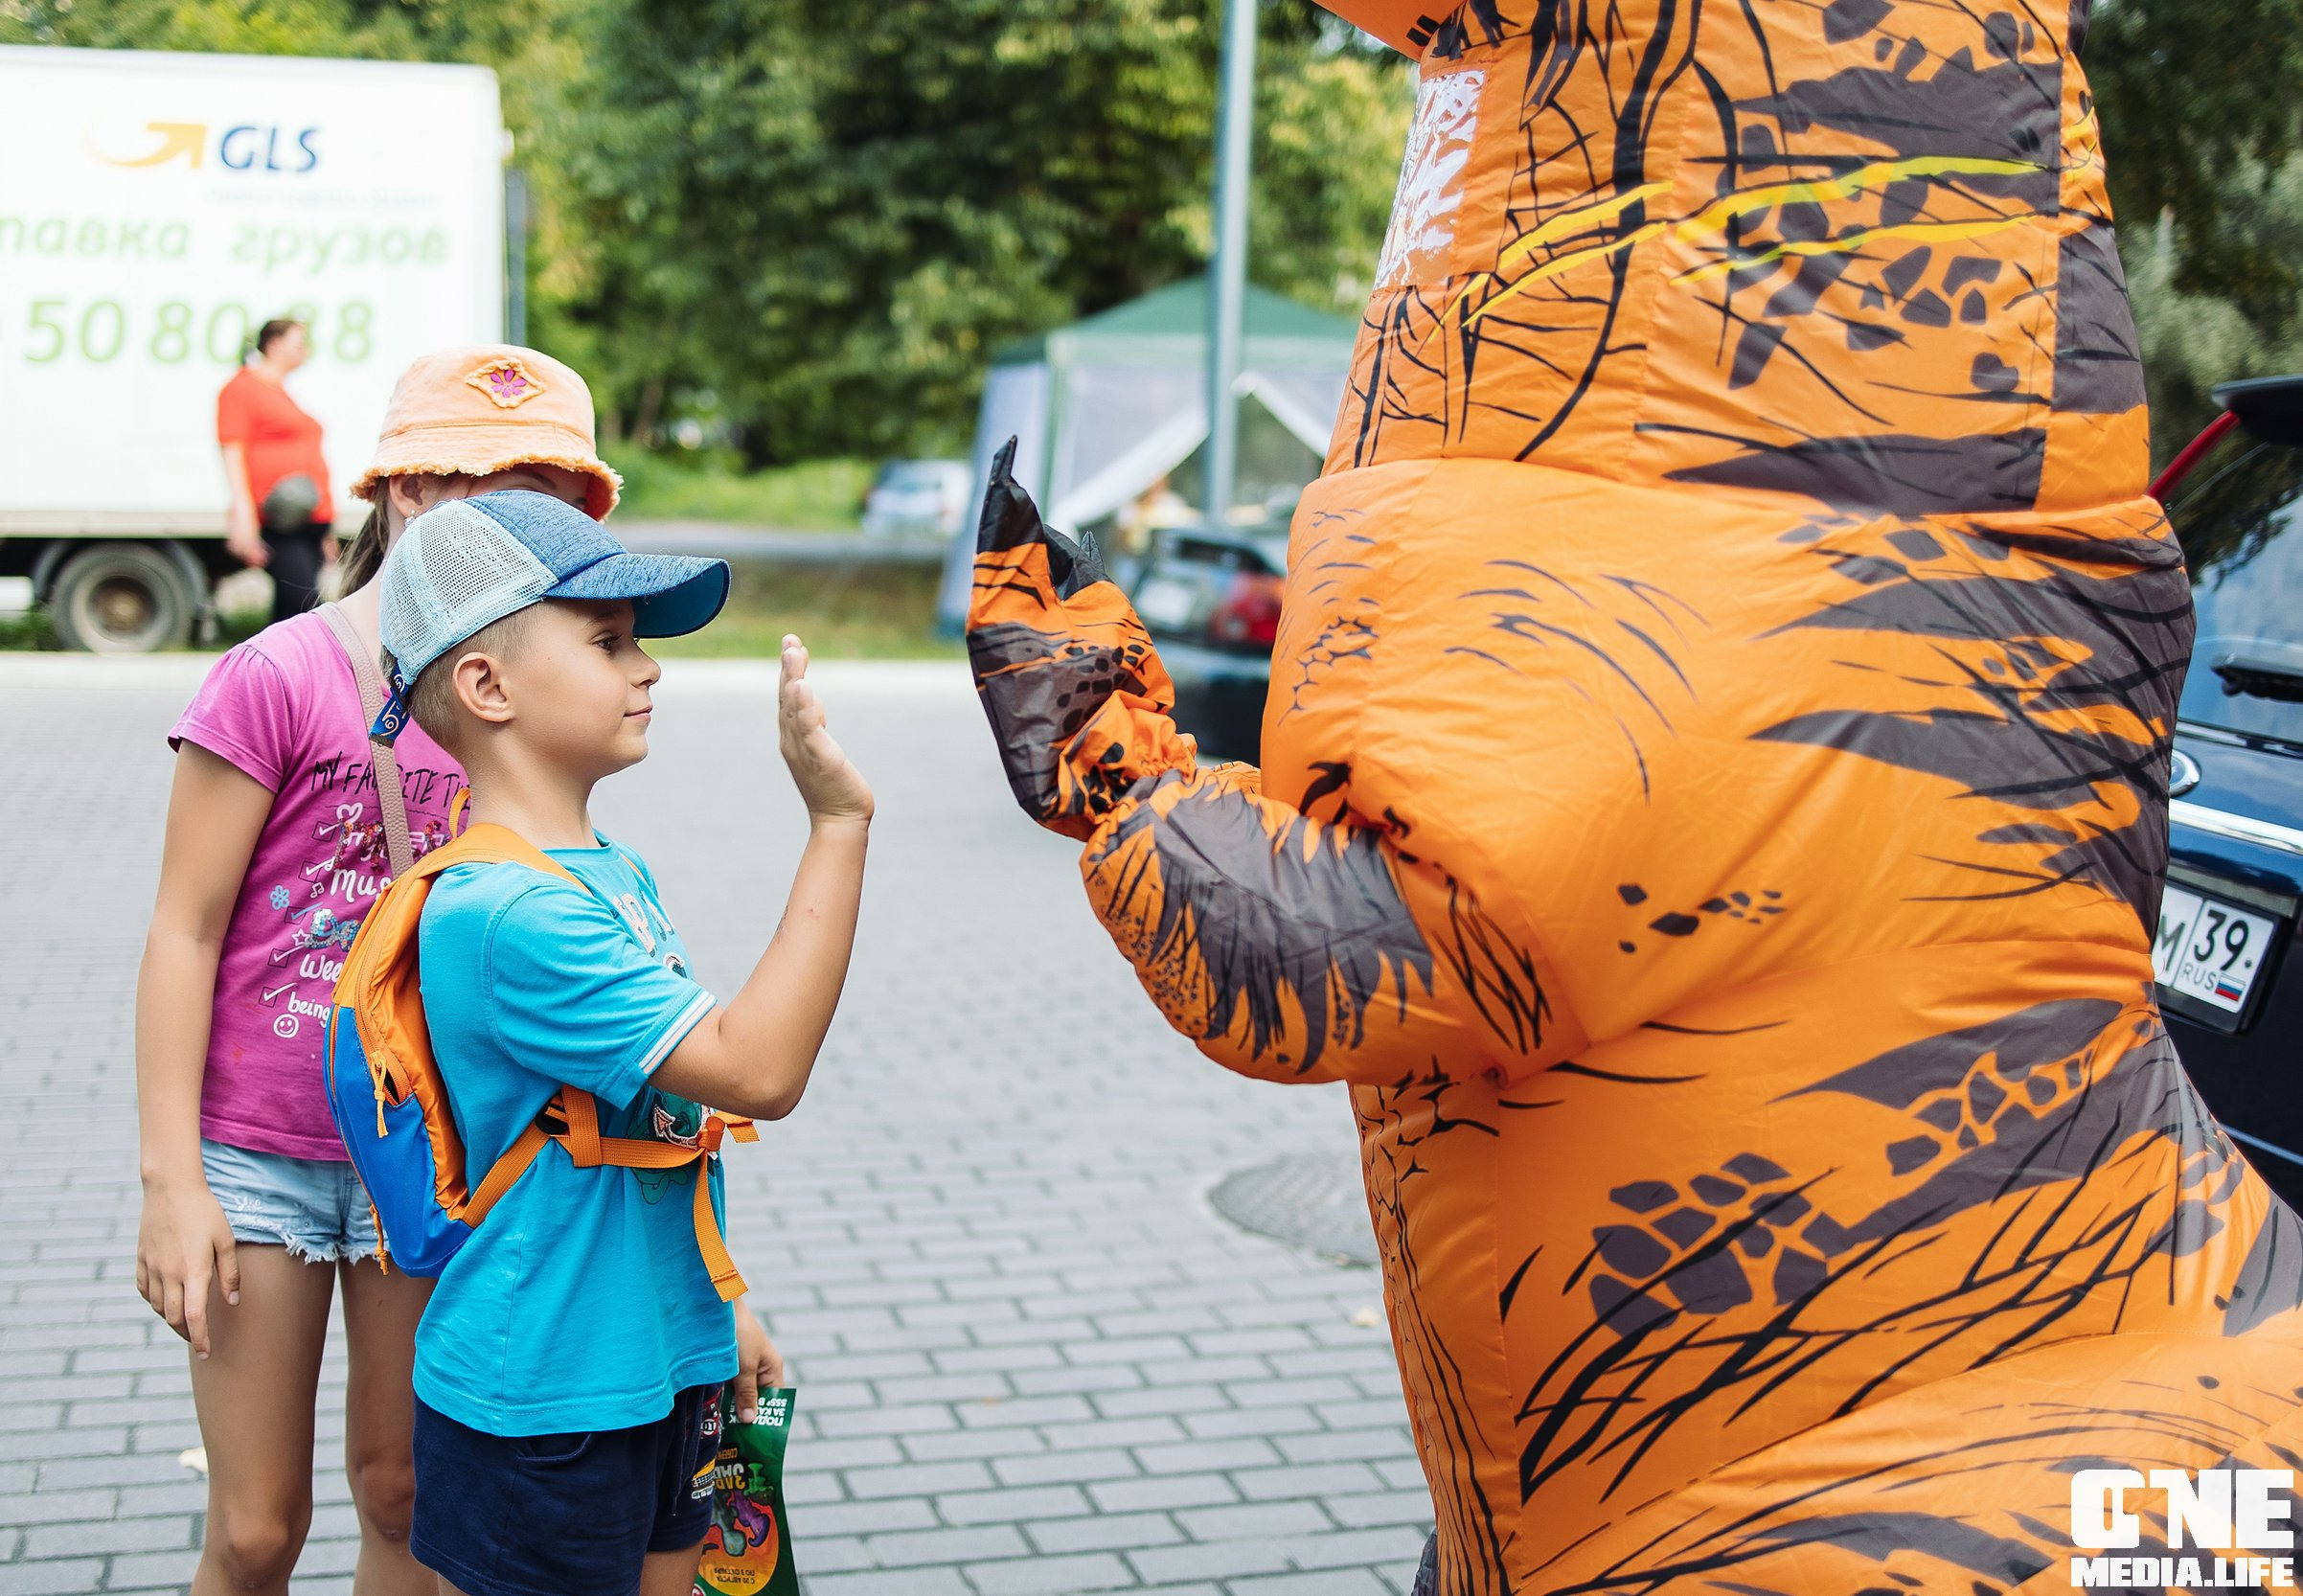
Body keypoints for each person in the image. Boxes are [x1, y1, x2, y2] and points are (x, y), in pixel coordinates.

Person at [961, 3, 2303, 1593]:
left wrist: (1103, 742)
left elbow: (1351, 951)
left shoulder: (1726, 575)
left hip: (1907, 1494)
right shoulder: (1896, 541)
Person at [139, 344, 784, 1595]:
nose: (516, 524)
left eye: (551, 499)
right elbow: (184, 929)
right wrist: (172, 1179)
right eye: (485, 489)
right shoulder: (277, 675)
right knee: (257, 1530)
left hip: (439, 1153)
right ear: (404, 491)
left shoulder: (538, 687)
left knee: (405, 1493)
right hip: (264, 1152)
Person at [371, 490, 872, 1596]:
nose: (647, 668)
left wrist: (719, 1310)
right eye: (607, 641)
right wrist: (838, 824)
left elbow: (657, 1122)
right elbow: (756, 1068)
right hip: (547, 1397)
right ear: (487, 686)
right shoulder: (507, 913)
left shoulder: (610, 870)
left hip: (661, 1359)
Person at [217, 319, 335, 622]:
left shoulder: (281, 392)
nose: (305, 350)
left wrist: (326, 532)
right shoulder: (242, 388)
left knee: (291, 609)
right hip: (280, 519)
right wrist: (244, 518)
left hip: (308, 518)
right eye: (299, 343)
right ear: (273, 345)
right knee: (302, 603)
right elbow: (232, 454)